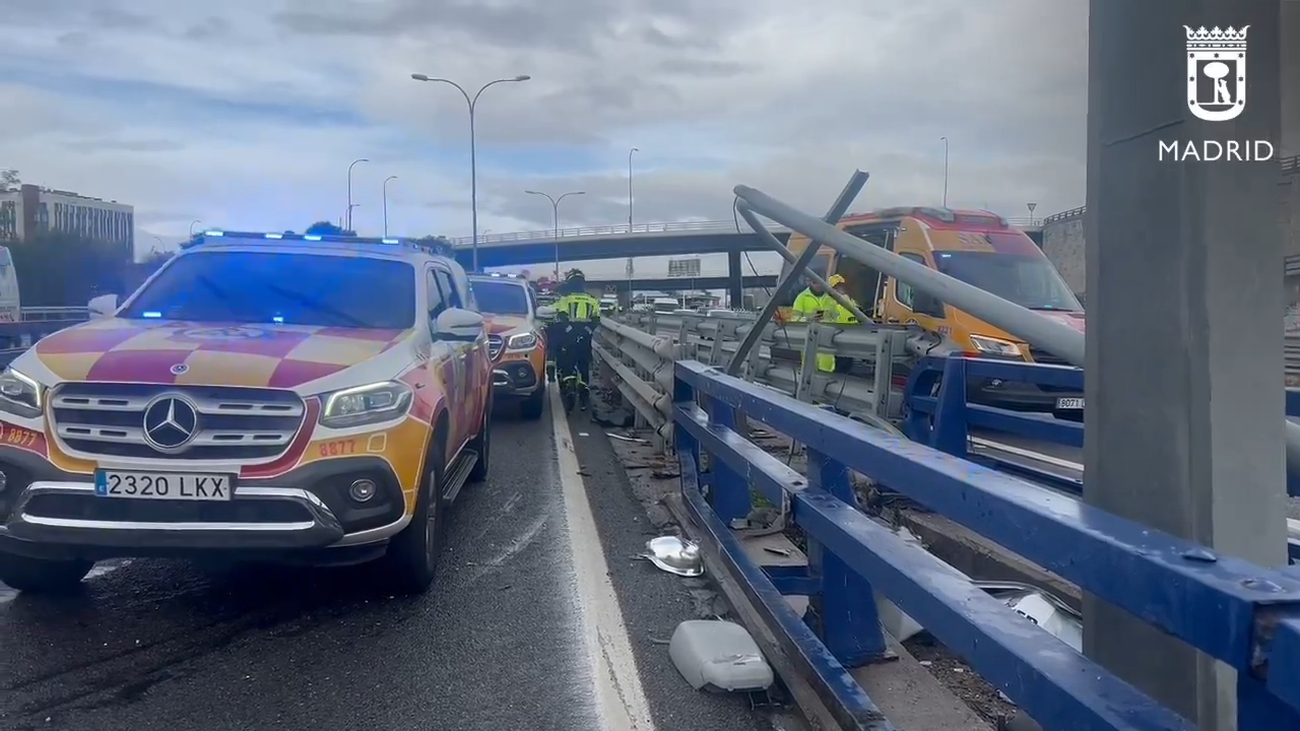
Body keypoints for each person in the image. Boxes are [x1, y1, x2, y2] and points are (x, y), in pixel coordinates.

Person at [550, 271, 602, 410]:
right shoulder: (592, 300)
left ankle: (570, 391)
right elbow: (596, 320)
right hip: (585, 339)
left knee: (567, 364)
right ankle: (584, 397)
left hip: (569, 338)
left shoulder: (566, 299)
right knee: (583, 366)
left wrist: (570, 332)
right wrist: (585, 332)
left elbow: (561, 317)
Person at [790, 276, 836, 373]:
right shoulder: (802, 298)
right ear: (809, 282)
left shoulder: (831, 298)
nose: (819, 285)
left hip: (827, 340)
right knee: (808, 371)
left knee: (826, 370)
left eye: (821, 283)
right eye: (815, 282)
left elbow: (837, 316)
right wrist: (808, 319)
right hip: (809, 340)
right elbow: (794, 319)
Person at [828, 274, 860, 374]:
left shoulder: (850, 302)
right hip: (841, 339)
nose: (840, 289)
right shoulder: (850, 302)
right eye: (837, 287)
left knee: (841, 368)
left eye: (841, 286)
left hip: (842, 339)